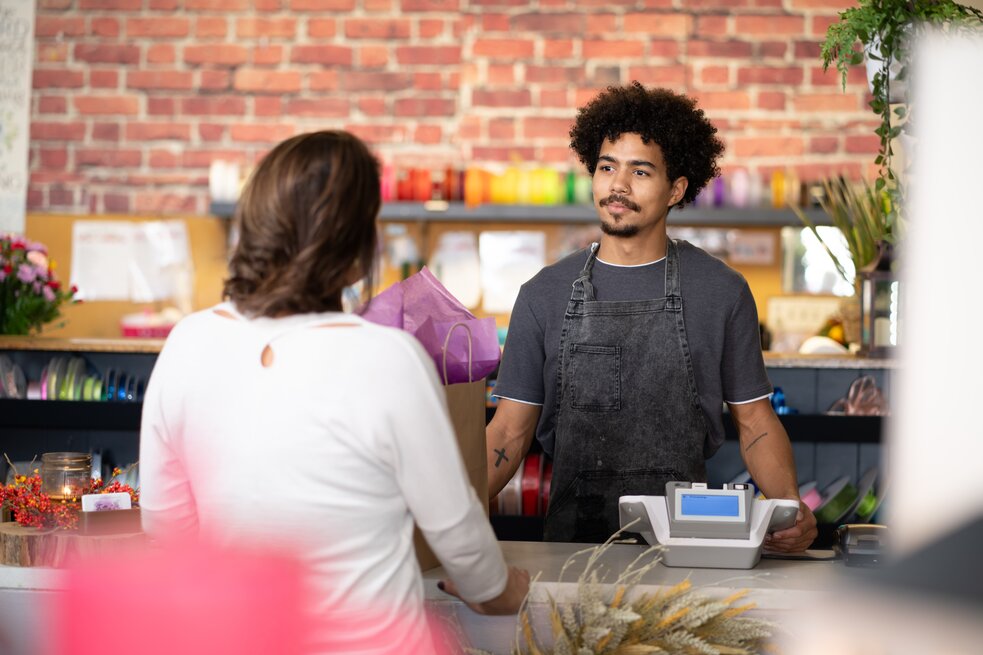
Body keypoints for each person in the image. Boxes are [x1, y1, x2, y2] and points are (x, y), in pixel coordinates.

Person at [140, 130, 529, 654]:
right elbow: (457, 532)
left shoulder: (188, 342)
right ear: (356, 252)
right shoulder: (386, 358)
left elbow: (166, 528)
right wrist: (502, 591)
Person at [486, 83, 817, 551]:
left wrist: (787, 508)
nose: (618, 185)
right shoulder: (544, 294)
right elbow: (508, 431)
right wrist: (447, 514)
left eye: (640, 171)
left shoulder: (721, 291)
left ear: (675, 189)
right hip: (571, 552)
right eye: (606, 167)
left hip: (688, 549)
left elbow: (756, 423)